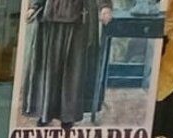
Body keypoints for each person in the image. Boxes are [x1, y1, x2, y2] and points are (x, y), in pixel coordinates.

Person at [22, 0, 115, 129]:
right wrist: (34, 6)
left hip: (78, 20)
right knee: (49, 69)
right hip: (50, 19)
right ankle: (45, 113)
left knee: (73, 71)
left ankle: (68, 116)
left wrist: (105, 7)